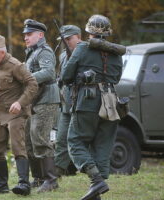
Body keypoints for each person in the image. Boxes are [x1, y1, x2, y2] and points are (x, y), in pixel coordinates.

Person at [61, 15, 123, 200]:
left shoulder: (82, 48)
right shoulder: (116, 52)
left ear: (88, 32)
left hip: (87, 101)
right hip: (111, 102)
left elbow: (65, 76)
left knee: (74, 141)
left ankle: (96, 181)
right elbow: (116, 77)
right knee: (103, 145)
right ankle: (97, 189)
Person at [0, 35, 38, 196]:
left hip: (16, 114)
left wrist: (20, 102)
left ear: (1, 52)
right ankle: (1, 185)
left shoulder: (15, 65)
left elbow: (32, 84)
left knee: (18, 147)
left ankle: (23, 184)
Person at [23, 19, 60, 193]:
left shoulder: (44, 51)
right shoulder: (31, 52)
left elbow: (48, 72)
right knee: (29, 140)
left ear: (40, 35)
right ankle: (38, 178)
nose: (26, 37)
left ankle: (51, 180)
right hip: (35, 99)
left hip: (46, 98)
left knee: (40, 138)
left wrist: (26, 79)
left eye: (29, 34)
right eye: (25, 34)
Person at [54, 25, 82, 177]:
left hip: (82, 103)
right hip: (67, 104)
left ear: (79, 36)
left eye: (69, 39)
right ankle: (56, 174)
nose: (66, 42)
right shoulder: (63, 55)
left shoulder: (85, 53)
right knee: (61, 139)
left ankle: (93, 171)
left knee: (80, 141)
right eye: (63, 40)